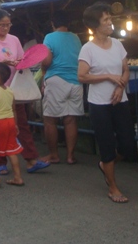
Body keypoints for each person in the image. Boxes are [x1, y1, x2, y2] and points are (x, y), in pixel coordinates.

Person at [0, 9, 50, 175]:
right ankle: (1, 162)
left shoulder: (14, 39)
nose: (5, 28)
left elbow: (22, 59)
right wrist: (2, 62)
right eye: (1, 25)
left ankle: (31, 159)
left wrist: (18, 62)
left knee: (20, 124)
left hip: (14, 89)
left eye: (8, 25)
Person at [78, 1, 136, 204]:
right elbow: (82, 76)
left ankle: (105, 164)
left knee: (128, 144)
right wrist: (108, 77)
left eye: (110, 18)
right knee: (106, 145)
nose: (110, 23)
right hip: (99, 103)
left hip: (120, 100)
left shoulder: (118, 44)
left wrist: (120, 86)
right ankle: (112, 187)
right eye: (106, 20)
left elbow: (125, 70)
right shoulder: (88, 49)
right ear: (96, 25)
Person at [41, 10, 83, 165]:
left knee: (50, 120)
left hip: (56, 79)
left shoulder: (50, 37)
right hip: (75, 81)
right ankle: (70, 156)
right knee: (70, 119)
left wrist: (42, 67)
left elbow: (46, 61)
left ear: (53, 24)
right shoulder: (76, 38)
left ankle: (54, 155)